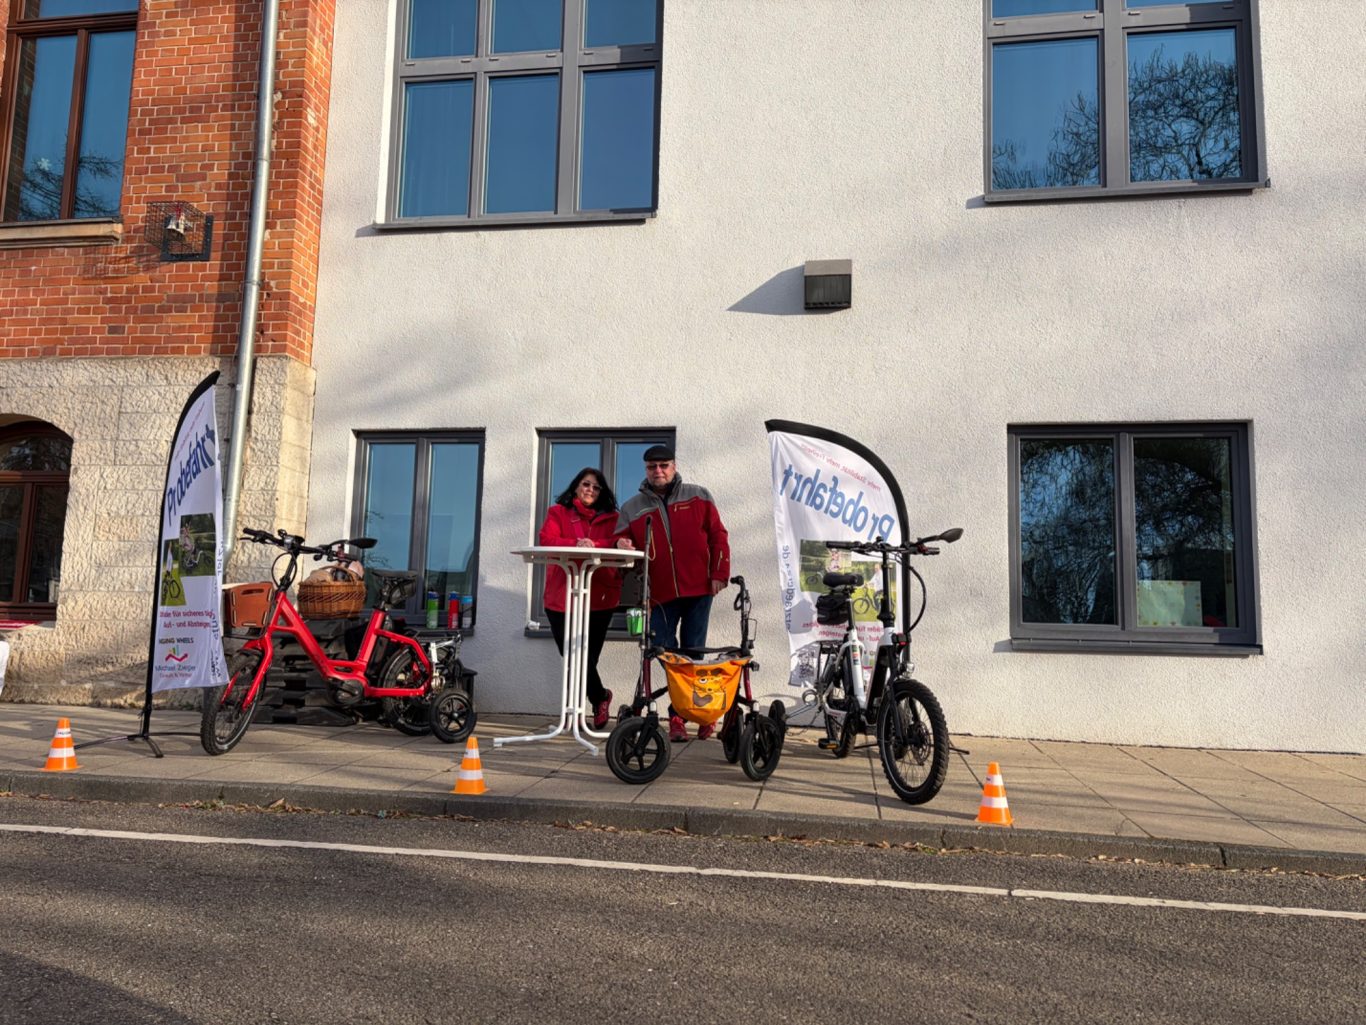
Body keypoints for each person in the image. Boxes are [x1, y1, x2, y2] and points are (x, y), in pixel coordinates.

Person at [617, 444, 730, 742]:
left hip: (698, 589)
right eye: (652, 467)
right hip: (660, 593)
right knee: (665, 651)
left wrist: (719, 573)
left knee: (694, 653)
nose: (658, 471)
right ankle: (683, 712)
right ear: (646, 470)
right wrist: (621, 544)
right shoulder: (632, 507)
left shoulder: (699, 495)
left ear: (674, 466)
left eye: (664, 465)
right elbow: (621, 539)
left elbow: (718, 535)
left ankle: (694, 715)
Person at [538, 467, 633, 730]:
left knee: (587, 658)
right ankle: (600, 697)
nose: (590, 490)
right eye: (586, 484)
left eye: (596, 487)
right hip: (561, 596)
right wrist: (577, 543)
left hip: (599, 597)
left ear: (602, 492)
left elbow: (618, 543)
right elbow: (546, 539)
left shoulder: (613, 518)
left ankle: (581, 709)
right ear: (576, 486)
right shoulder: (557, 512)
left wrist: (596, 545)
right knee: (572, 657)